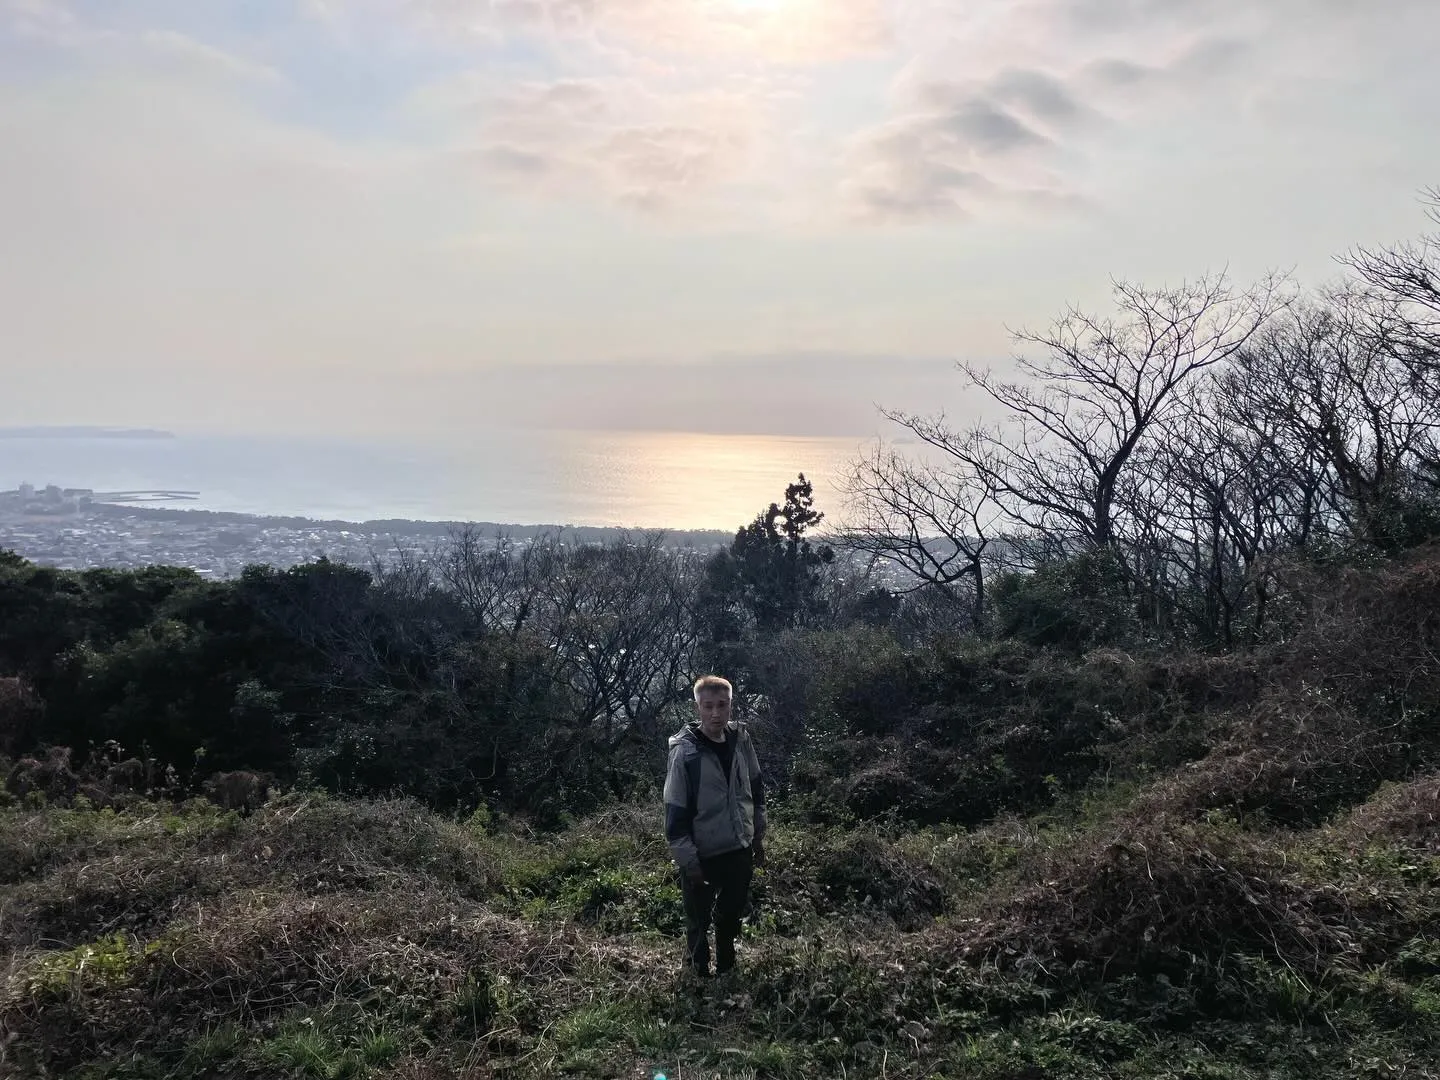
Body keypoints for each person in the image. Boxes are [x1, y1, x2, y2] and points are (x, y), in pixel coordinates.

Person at [663, 674, 766, 978]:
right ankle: (696, 975)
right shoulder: (686, 753)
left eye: (722, 705)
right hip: (702, 854)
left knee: (731, 915)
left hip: (738, 847)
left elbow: (756, 789)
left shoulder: (740, 740)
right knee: (697, 920)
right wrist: (689, 861)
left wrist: (757, 837)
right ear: (698, 708)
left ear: (731, 705)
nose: (716, 713)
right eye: (708, 706)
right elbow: (675, 813)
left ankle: (726, 968)